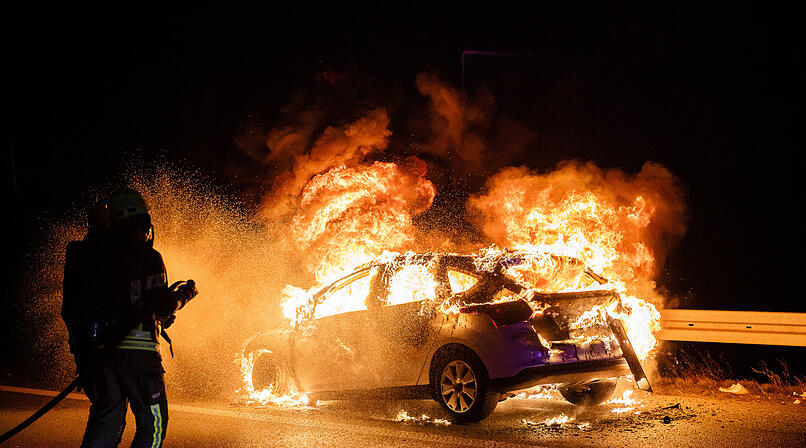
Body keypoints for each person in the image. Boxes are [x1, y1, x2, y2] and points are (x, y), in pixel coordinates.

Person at [62, 188, 198, 448]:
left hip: (98, 355)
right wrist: (185, 294)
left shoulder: (91, 258)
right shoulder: (148, 257)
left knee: (107, 418)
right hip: (139, 355)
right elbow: (162, 306)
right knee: (153, 422)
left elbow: (78, 307)